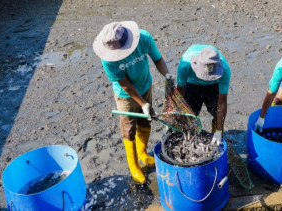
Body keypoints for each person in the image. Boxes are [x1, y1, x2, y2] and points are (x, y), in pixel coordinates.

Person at [93, 21, 175, 184]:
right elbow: (125, 84)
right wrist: (143, 104)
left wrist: (167, 76)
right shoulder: (107, 59)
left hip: (145, 84)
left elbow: (158, 60)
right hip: (125, 94)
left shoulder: (144, 38)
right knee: (128, 128)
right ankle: (134, 164)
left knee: (146, 119)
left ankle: (143, 153)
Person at [176, 45, 231, 145]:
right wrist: (181, 119)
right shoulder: (185, 66)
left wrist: (219, 131)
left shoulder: (225, 70)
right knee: (190, 114)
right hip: (192, 84)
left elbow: (222, 102)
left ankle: (217, 136)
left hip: (214, 84)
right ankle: (189, 139)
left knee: (216, 112)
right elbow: (179, 97)